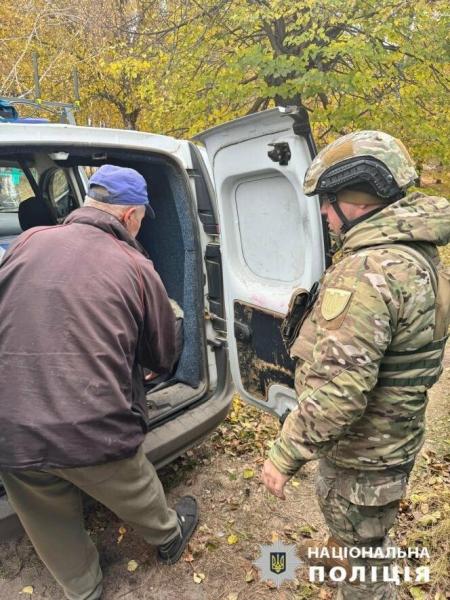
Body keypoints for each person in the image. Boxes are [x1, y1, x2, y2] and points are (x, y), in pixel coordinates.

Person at [261, 131, 450, 599]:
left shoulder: (367, 270)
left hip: (362, 458)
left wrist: (285, 454)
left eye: (329, 201)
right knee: (369, 542)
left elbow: (340, 393)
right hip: (393, 441)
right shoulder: (417, 253)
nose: (324, 214)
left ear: (360, 196)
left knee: (363, 569)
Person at [0, 164, 198, 600]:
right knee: (134, 485)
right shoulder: (134, 263)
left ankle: (83, 590)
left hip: (10, 424)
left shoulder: (28, 241)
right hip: (90, 424)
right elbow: (161, 354)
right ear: (129, 217)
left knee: (46, 513)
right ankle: (169, 536)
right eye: (142, 217)